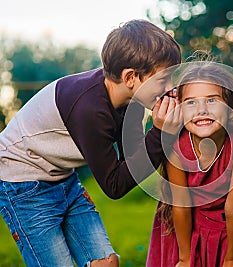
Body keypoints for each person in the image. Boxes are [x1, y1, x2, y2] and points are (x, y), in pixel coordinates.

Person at [0, 19, 182, 267]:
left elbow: (133, 160)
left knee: (106, 263)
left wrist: (165, 133)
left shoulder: (132, 103)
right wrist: (161, 133)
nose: (170, 88)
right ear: (130, 77)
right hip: (22, 186)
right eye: (163, 80)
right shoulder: (90, 110)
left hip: (62, 178)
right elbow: (115, 186)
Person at [146, 59, 233, 267]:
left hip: (231, 229)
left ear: (230, 107)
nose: (202, 110)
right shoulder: (175, 147)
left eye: (212, 100)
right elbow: (181, 206)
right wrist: (185, 258)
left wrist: (232, 258)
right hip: (184, 229)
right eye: (191, 102)